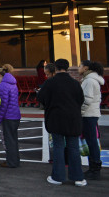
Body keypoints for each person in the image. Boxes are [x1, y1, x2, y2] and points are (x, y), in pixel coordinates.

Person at [38, 59, 86, 187]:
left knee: (58, 147)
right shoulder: (75, 83)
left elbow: (41, 98)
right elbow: (81, 100)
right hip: (73, 119)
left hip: (56, 119)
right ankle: (78, 178)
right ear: (68, 67)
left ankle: (58, 177)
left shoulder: (50, 83)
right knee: (74, 148)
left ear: (56, 67)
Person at [79, 60, 104, 180]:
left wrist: (80, 112)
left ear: (85, 68)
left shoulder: (89, 81)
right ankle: (94, 167)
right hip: (92, 114)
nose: (79, 68)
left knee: (91, 142)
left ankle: (94, 169)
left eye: (80, 66)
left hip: (88, 115)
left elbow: (87, 100)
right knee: (92, 141)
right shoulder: (91, 79)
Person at [0, 64, 21, 168]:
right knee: (13, 139)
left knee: (8, 140)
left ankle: (11, 162)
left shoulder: (3, 85)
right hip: (15, 115)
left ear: (0, 75)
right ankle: (15, 160)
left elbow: (3, 105)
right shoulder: (13, 83)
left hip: (8, 117)